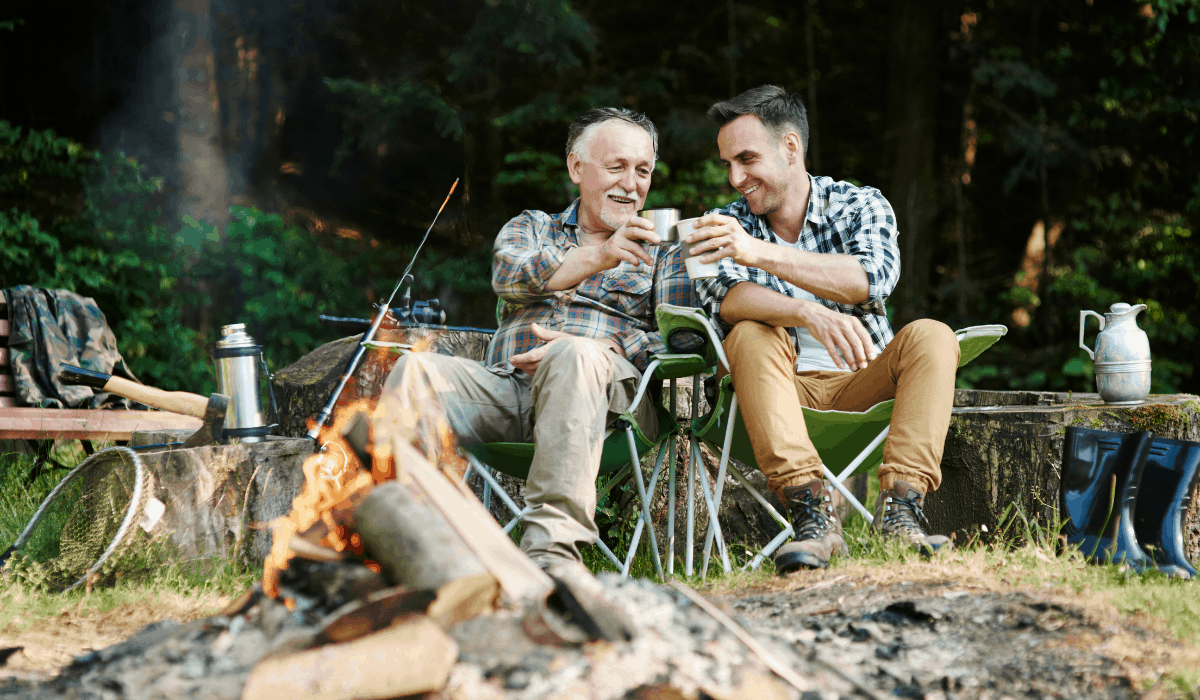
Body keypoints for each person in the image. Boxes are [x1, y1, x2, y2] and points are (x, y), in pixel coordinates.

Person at [376, 107, 691, 570]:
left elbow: (681, 341)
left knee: (576, 356)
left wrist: (610, 350)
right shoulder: (531, 227)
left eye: (642, 170)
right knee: (414, 371)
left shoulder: (666, 250)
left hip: (611, 404)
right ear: (576, 168)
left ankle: (551, 555)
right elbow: (511, 278)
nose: (631, 183)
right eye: (617, 166)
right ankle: (413, 544)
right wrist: (600, 255)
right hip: (508, 389)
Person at [685, 85, 960, 574]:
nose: (735, 178)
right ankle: (812, 513)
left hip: (863, 384)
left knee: (934, 335)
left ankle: (900, 509)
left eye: (746, 159)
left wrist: (758, 252)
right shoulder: (723, 224)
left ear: (791, 148)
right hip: (774, 393)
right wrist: (809, 312)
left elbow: (869, 279)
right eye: (727, 163)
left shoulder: (859, 204)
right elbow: (726, 299)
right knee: (748, 330)